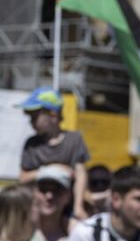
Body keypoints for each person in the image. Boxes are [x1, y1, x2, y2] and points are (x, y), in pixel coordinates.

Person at [16, 87, 90, 219]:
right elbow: (23, 178)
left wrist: (78, 207)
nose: (31, 122)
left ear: (53, 116)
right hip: (39, 209)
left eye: (35, 117)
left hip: (66, 209)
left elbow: (80, 174)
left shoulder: (74, 140)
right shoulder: (32, 144)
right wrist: (52, 169)